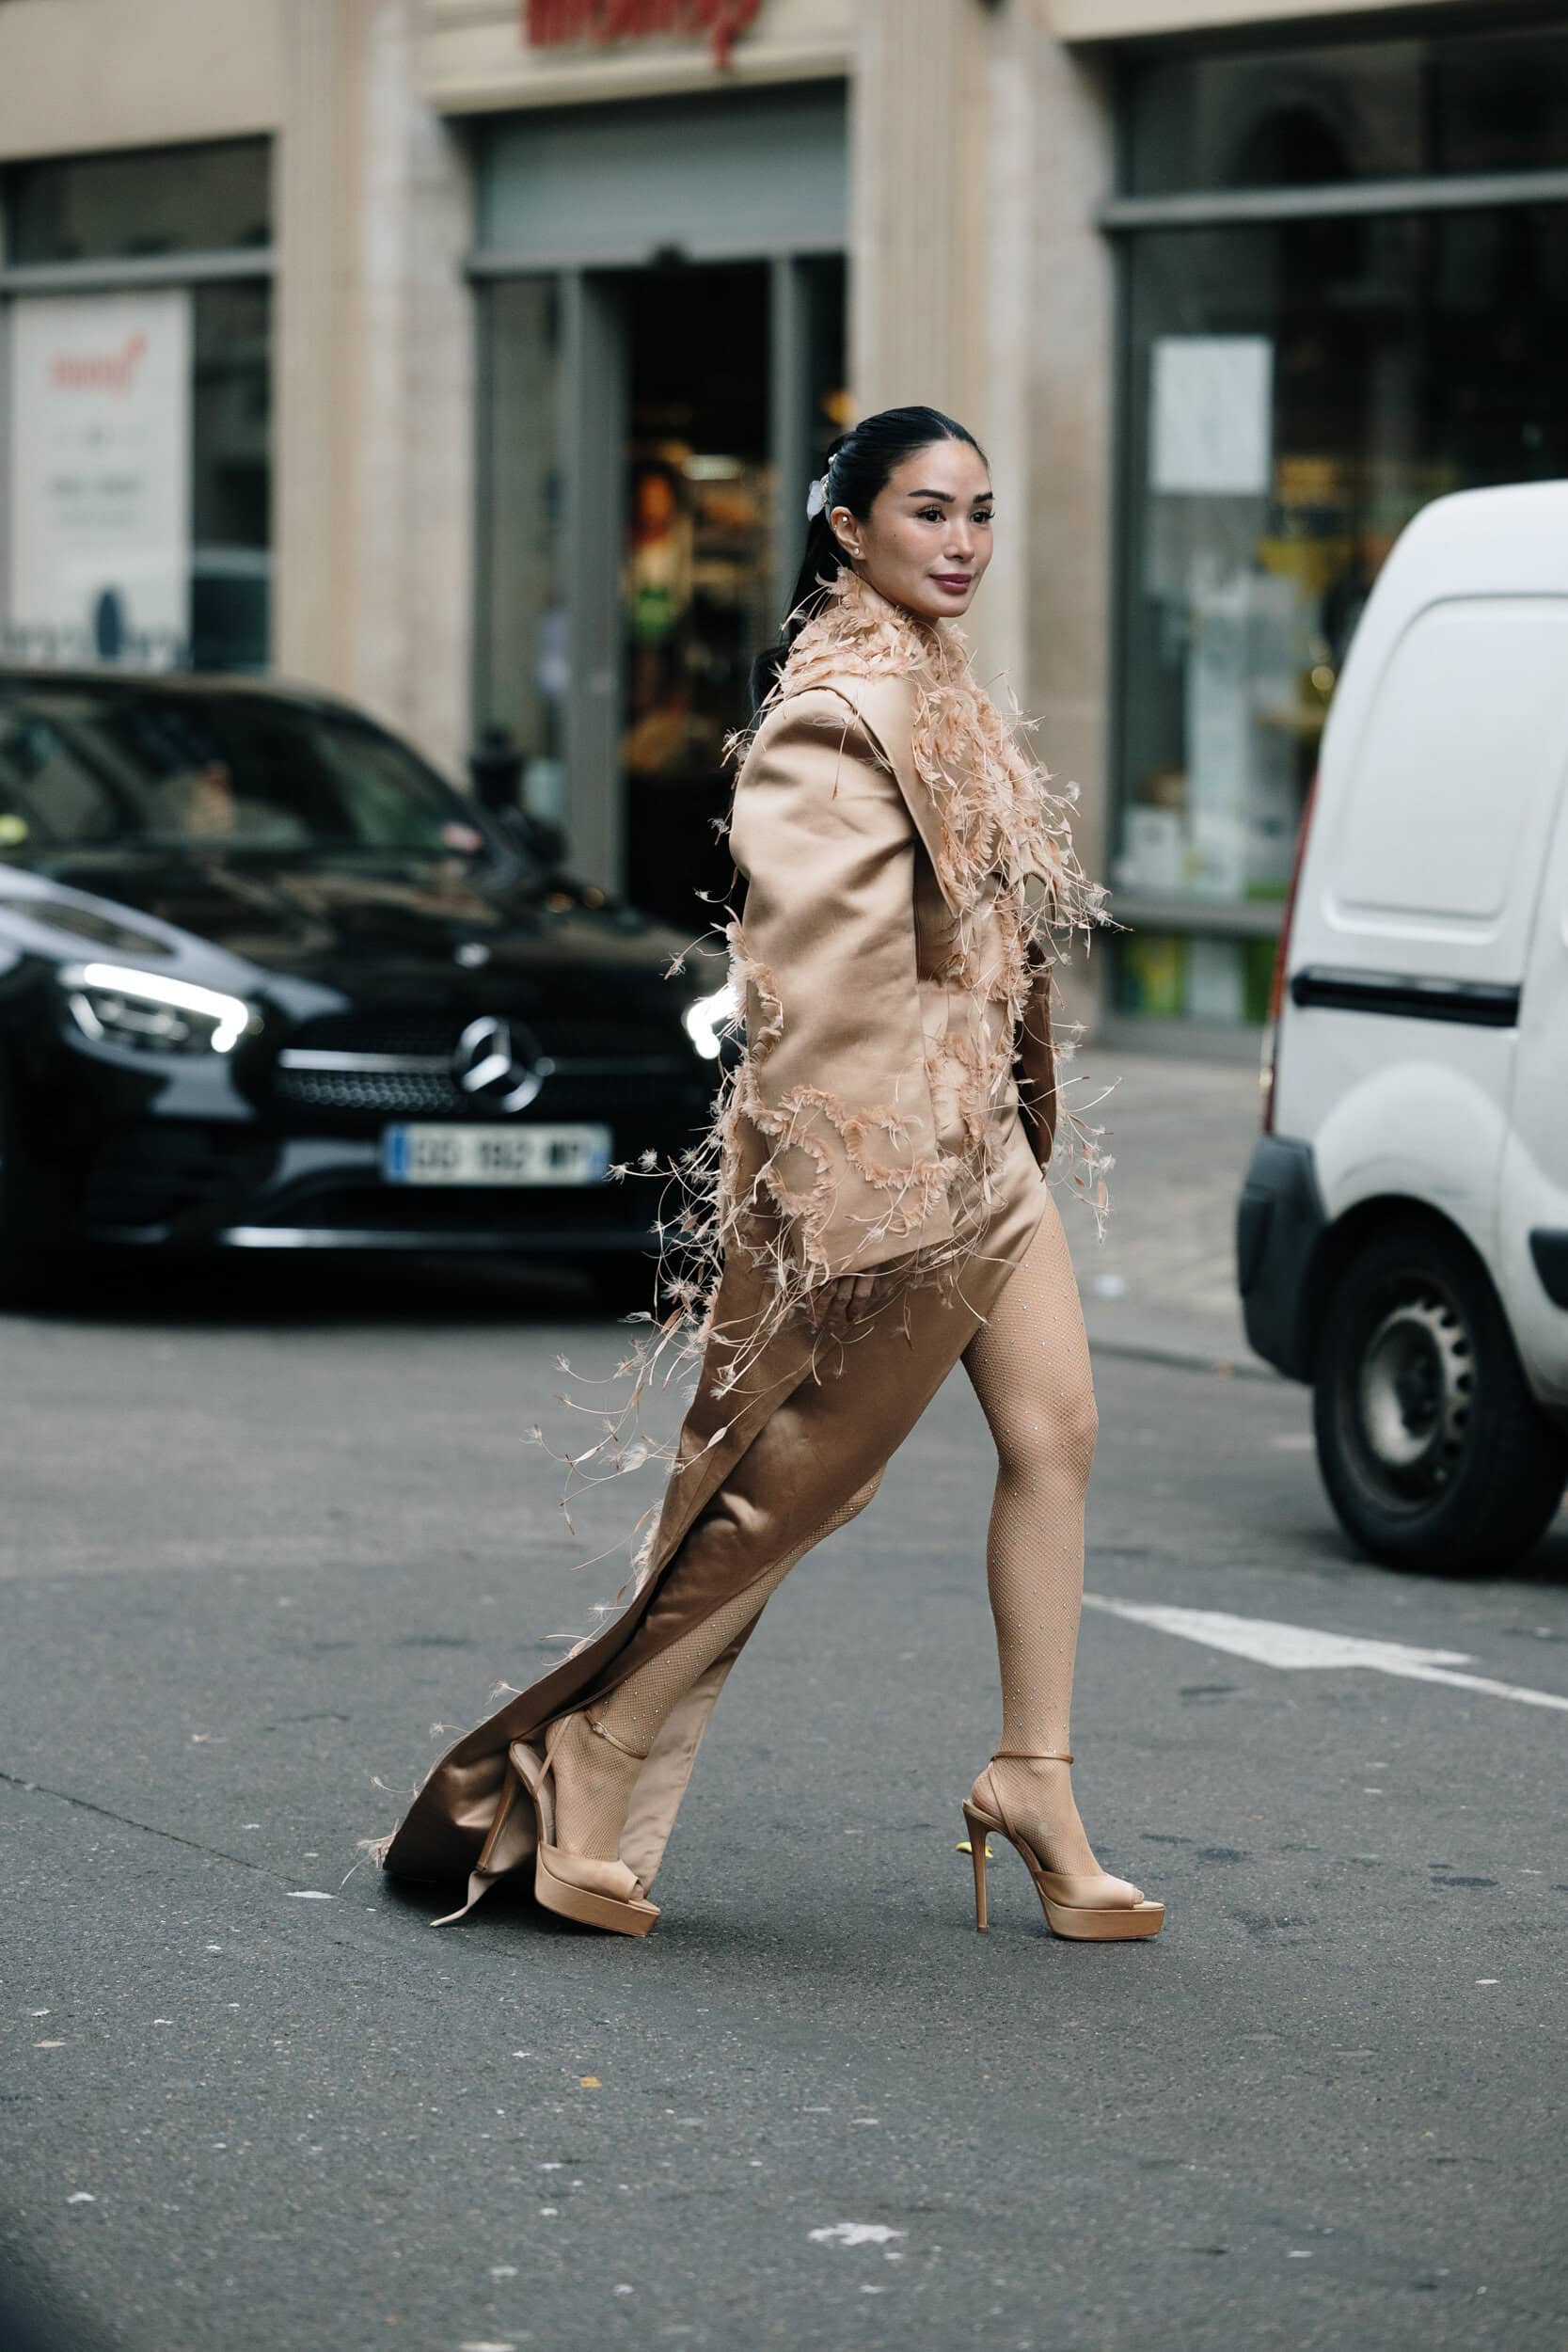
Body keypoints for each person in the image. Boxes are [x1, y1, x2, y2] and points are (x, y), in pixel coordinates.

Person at [377, 405, 1163, 1945]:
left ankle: (1033, 1775)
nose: (964, 544)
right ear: (849, 529)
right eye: (930, 513)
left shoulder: (940, 688)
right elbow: (814, 976)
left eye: (983, 515)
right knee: (799, 1486)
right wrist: (858, 1190)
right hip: (892, 1160)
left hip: (982, 1140)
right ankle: (592, 1757)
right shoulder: (828, 712)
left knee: (1060, 1429)